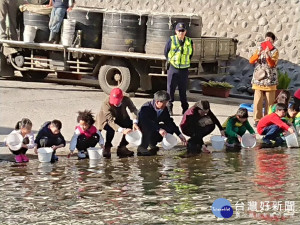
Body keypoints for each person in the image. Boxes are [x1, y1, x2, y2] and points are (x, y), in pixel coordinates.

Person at [137, 90, 187, 156]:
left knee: (168, 129)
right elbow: (146, 122)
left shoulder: (164, 109)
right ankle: (142, 147)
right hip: (144, 128)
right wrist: (159, 129)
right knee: (147, 128)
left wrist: (179, 134)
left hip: (155, 128)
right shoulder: (146, 108)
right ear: (157, 102)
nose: (166, 105)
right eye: (164, 103)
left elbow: (169, 121)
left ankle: (152, 143)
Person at [95, 88, 139, 158]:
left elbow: (133, 109)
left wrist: (135, 122)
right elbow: (110, 121)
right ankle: (107, 147)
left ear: (122, 98)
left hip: (120, 116)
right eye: (114, 101)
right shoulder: (106, 103)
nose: (115, 103)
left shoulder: (126, 99)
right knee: (110, 129)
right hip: (106, 120)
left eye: (117, 101)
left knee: (130, 125)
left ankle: (122, 147)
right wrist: (122, 130)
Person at [250, 32, 279, 127]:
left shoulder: (275, 51)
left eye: (270, 39)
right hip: (259, 79)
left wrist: (267, 55)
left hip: (270, 80)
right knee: (257, 101)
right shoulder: (259, 48)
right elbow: (251, 61)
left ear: (273, 41)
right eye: (266, 39)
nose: (268, 41)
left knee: (269, 103)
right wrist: (258, 54)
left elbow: (272, 64)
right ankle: (257, 119)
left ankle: (268, 120)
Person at [164, 22, 193, 115]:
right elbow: (166, 52)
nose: (181, 33)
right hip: (173, 68)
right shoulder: (171, 40)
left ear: (185, 32)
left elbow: (191, 54)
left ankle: (185, 109)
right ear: (176, 31)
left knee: (183, 90)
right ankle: (169, 108)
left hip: (184, 69)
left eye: (182, 31)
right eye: (179, 31)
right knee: (170, 89)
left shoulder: (189, 41)